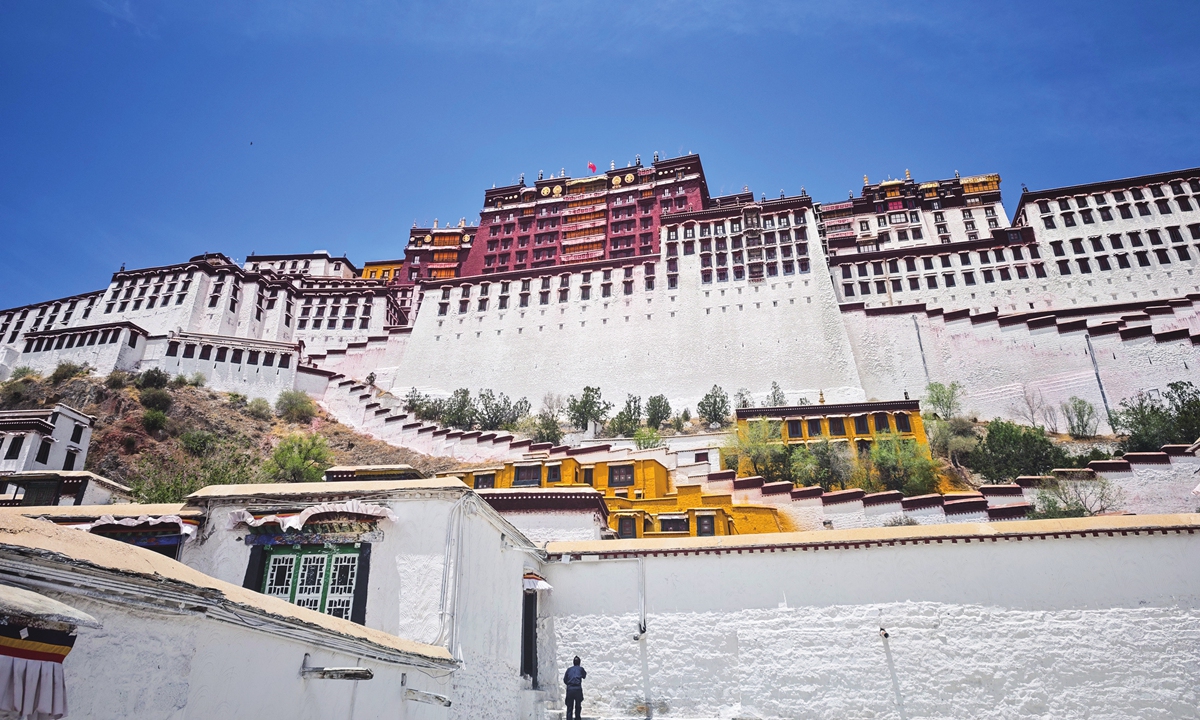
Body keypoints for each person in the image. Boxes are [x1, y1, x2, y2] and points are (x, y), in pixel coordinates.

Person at [563, 655, 586, 720]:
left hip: (570, 688)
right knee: (578, 705)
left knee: (569, 706)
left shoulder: (569, 669)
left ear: (573, 662)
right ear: (579, 663)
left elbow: (565, 680)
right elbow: (584, 676)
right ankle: (577, 718)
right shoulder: (581, 669)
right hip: (578, 688)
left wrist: (570, 685)